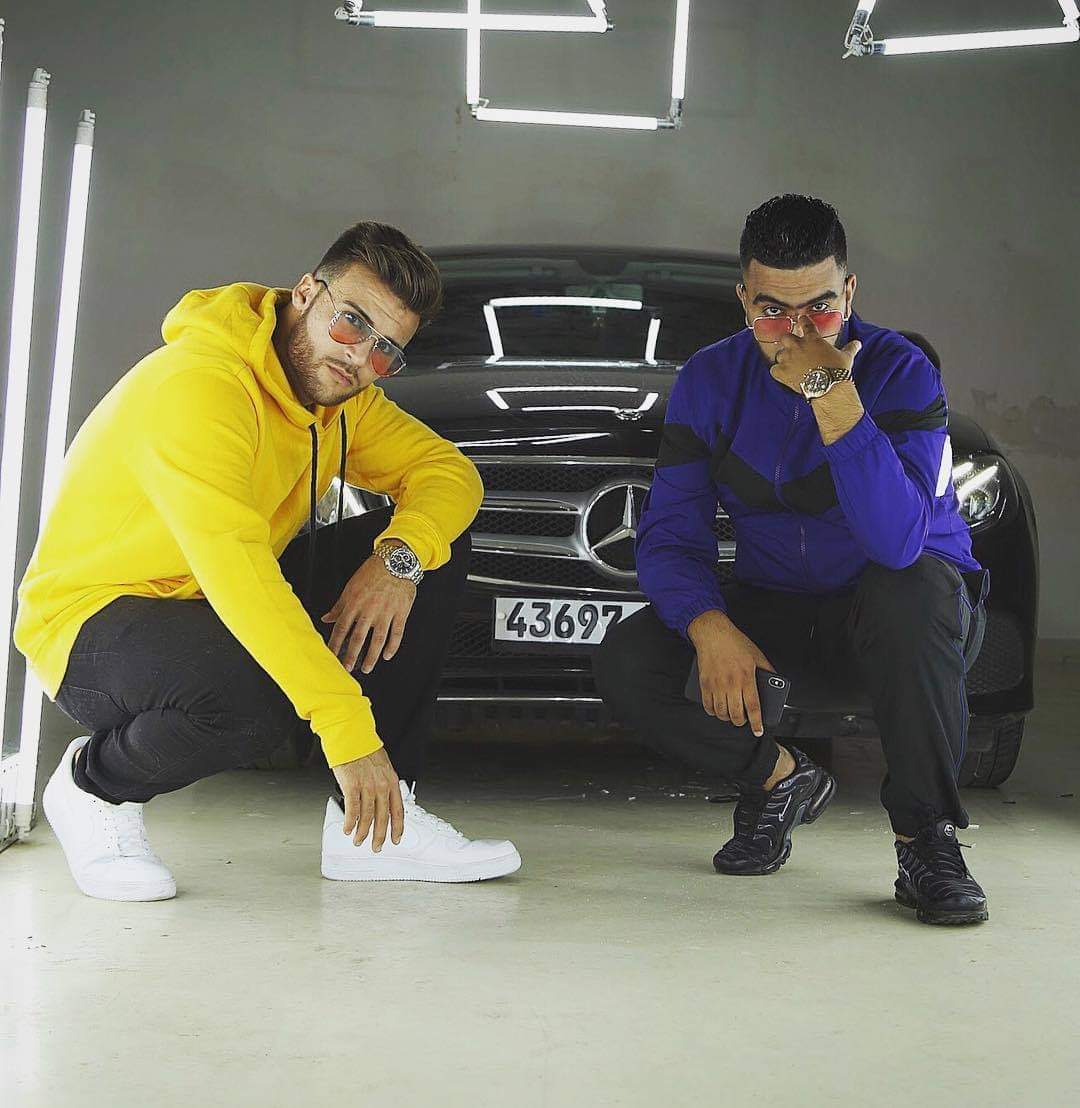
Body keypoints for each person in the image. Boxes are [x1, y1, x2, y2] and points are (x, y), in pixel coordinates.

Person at [15, 220, 521, 902]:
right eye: (352, 322)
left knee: (432, 548)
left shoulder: (340, 398)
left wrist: (397, 562)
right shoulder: (200, 386)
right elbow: (241, 575)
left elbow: (449, 472)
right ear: (306, 293)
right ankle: (93, 787)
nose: (359, 358)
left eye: (385, 351)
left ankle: (375, 826)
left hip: (211, 607)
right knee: (259, 697)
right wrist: (348, 732)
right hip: (93, 621)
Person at [594, 195, 989, 926]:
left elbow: (897, 542)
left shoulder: (903, 372)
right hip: (776, 606)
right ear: (743, 299)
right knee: (628, 659)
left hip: (899, 624)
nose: (800, 332)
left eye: (821, 308)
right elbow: (671, 534)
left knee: (915, 590)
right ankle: (777, 780)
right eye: (773, 310)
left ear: (851, 292)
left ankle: (926, 841)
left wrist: (831, 393)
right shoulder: (711, 379)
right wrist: (709, 624)